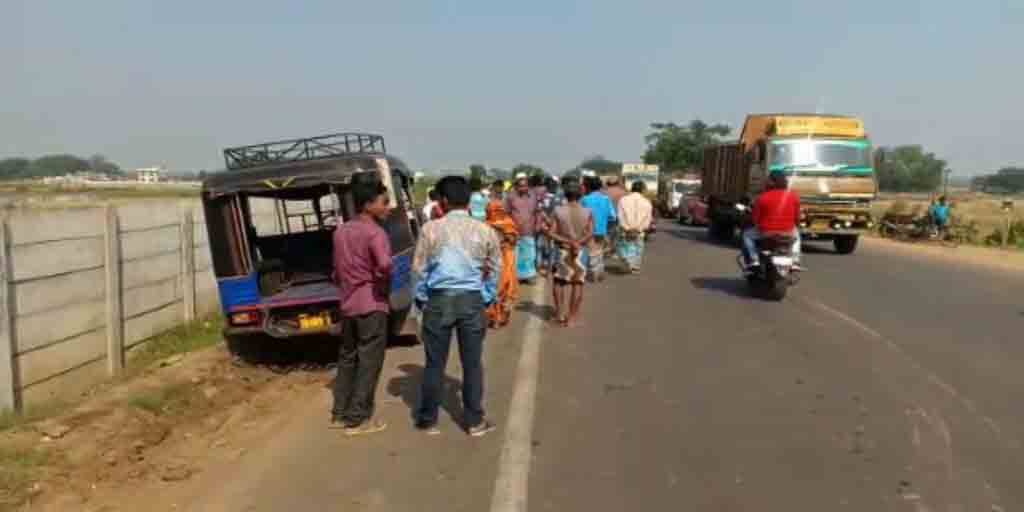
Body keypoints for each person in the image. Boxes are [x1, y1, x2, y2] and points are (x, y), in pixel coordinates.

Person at [412, 176, 501, 437]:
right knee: (472, 363)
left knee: (434, 363)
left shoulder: (430, 229)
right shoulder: (485, 230)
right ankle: (474, 420)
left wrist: (422, 299)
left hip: (438, 299)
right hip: (471, 300)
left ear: (444, 201)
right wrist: (485, 296)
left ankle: (428, 419)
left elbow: (418, 270)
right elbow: (495, 269)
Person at [330, 181, 393, 436]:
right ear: (368, 205)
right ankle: (358, 419)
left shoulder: (341, 231)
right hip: (371, 302)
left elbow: (336, 271)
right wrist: (381, 281)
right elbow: (386, 266)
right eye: (384, 202)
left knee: (348, 358)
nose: (387, 207)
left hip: (348, 304)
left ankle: (339, 412)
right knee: (369, 361)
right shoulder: (376, 233)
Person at [545, 177, 592, 327]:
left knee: (559, 282)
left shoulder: (558, 211)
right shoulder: (587, 211)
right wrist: (577, 242)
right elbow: (590, 233)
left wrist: (567, 241)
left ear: (565, 194)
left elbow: (551, 233)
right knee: (577, 284)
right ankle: (571, 318)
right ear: (581, 194)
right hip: (580, 251)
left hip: (562, 250)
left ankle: (560, 314)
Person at [741, 170, 802, 271]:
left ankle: (754, 259)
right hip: (787, 232)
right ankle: (795, 260)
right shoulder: (793, 197)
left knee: (746, 235)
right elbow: (797, 218)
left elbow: (755, 219)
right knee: (797, 236)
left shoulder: (762, 198)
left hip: (766, 233)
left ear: (771, 182)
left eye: (768, 180)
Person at [485, 180, 519, 328]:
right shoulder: (485, 225)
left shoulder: (507, 223)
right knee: (495, 287)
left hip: (505, 260)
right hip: (494, 261)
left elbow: (513, 240)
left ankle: (500, 317)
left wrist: (502, 236)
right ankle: (495, 317)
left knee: (505, 287)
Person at [580, 176, 617, 282]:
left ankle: (591, 273)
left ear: (588, 187)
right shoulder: (606, 199)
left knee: (590, 251)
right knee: (599, 251)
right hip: (602, 229)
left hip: (588, 230)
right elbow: (613, 216)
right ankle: (598, 272)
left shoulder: (584, 199)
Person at [505, 177, 541, 284]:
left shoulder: (533, 197)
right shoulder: (511, 197)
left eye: (525, 185)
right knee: (516, 255)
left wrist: (538, 224)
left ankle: (529, 276)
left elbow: (538, 212)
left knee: (529, 254)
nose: (522, 188)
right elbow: (506, 213)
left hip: (529, 230)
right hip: (514, 231)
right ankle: (517, 276)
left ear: (528, 186)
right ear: (516, 186)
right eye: (520, 186)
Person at [617, 181, 653, 274]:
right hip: (639, 232)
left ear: (632, 188)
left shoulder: (623, 200)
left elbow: (620, 216)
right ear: (643, 190)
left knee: (625, 247)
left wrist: (627, 228)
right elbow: (647, 220)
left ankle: (626, 261)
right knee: (637, 248)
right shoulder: (647, 202)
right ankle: (635, 267)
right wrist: (639, 229)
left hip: (625, 231)